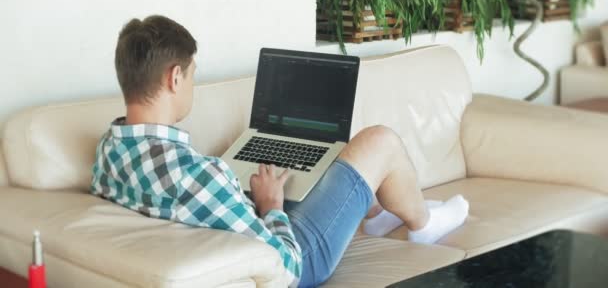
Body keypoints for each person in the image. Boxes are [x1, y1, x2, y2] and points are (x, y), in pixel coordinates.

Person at [91, 15, 469, 287]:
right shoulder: (200, 176)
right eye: (191, 75)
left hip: (230, 229)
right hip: (299, 259)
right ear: (175, 77)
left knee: (327, 158)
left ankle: (378, 209)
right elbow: (285, 265)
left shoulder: (109, 151)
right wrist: (271, 206)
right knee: (379, 141)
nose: (192, 84)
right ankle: (422, 224)